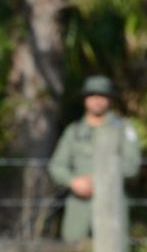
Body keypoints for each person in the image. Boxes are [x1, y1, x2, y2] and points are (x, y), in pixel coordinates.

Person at [48, 75, 141, 242]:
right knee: (73, 250)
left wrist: (100, 179)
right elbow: (57, 166)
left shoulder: (123, 128)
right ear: (85, 99)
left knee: (114, 250)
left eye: (102, 95)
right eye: (92, 95)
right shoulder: (74, 131)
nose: (97, 100)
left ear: (110, 99)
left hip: (112, 202)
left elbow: (132, 166)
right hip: (79, 204)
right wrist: (73, 182)